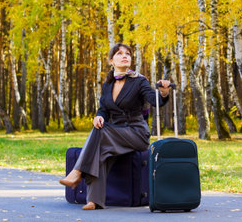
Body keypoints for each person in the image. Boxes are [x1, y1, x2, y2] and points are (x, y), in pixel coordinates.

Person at [59, 43, 171, 210]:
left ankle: (77, 172)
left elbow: (154, 100)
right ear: (111, 60)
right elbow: (103, 109)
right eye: (119, 53)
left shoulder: (139, 81)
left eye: (128, 54)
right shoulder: (108, 85)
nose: (125, 56)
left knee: (101, 133)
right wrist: (98, 116)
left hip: (136, 133)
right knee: (101, 151)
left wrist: (163, 92)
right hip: (114, 134)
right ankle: (94, 200)